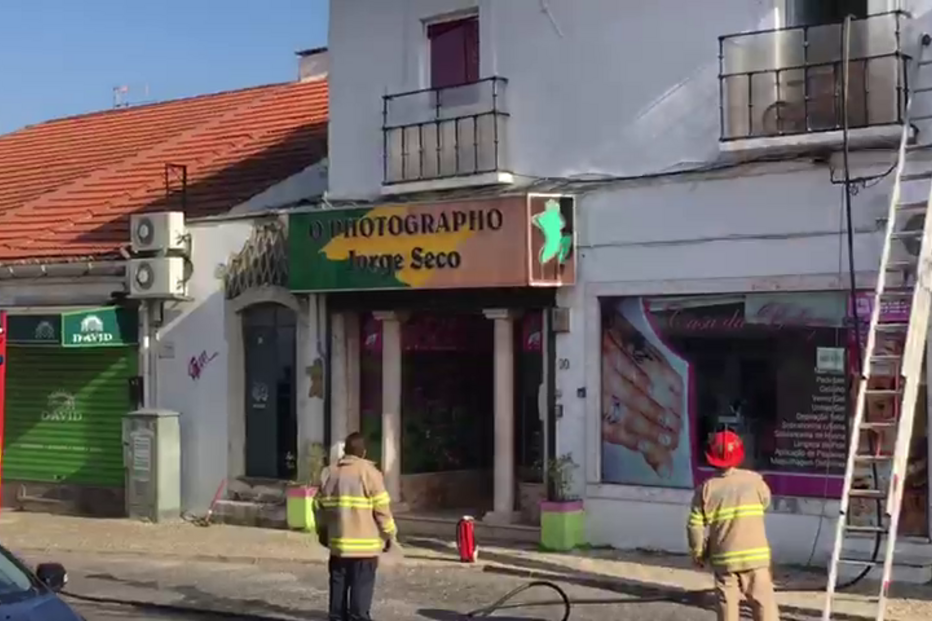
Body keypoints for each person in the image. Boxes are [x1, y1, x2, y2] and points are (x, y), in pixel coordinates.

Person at [687, 430, 780, 621]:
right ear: (739, 456)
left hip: (724, 560)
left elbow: (694, 526)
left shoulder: (706, 489)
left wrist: (698, 553)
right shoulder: (755, 481)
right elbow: (766, 502)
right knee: (764, 605)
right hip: (756, 557)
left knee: (727, 607)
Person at [314, 432, 398, 621]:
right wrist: (389, 533)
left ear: (346, 451)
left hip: (338, 544)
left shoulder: (330, 473)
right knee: (361, 586)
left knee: (338, 584)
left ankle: (336, 617)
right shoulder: (370, 473)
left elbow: (319, 507)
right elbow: (382, 508)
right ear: (364, 452)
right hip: (365, 547)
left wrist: (323, 532)